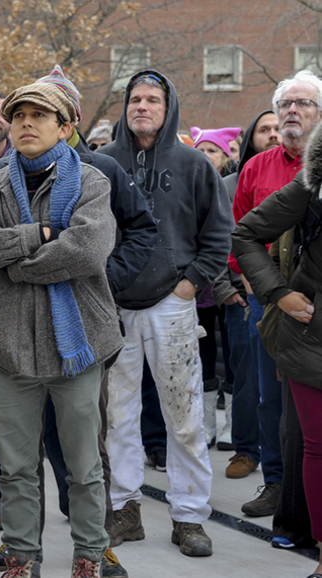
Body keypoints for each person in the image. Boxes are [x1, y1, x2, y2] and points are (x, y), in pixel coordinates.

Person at [0, 77, 124, 578]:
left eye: (39, 115)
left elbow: (88, 250)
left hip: (80, 346)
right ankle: (21, 556)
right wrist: (42, 233)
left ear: (65, 126)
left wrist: (17, 261)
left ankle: (90, 555)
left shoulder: (93, 183)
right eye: (19, 116)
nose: (26, 124)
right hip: (10, 346)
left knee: (84, 465)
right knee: (15, 468)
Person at [100, 70, 233, 557]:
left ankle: (189, 517)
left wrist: (188, 285)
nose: (142, 107)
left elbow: (220, 235)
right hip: (112, 305)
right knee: (117, 416)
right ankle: (125, 509)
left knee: (184, 415)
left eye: (152, 99)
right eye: (135, 99)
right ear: (125, 106)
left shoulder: (196, 164)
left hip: (171, 306)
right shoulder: (101, 162)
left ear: (168, 106)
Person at [226, 70, 322, 516]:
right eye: (285, 104)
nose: (291, 112)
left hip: (313, 305)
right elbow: (239, 232)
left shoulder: (314, 174)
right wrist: (260, 288)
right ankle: (276, 484)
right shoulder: (256, 166)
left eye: (302, 103)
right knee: (269, 399)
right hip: (270, 300)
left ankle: (303, 500)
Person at [213, 110, 281, 452]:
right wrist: (228, 288)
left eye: (277, 128)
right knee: (246, 376)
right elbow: (221, 239)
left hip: (291, 292)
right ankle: (245, 447)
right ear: (251, 136)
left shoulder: (302, 176)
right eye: (264, 129)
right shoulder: (230, 184)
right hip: (244, 294)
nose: (273, 133)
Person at [189, 125, 241, 447]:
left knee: (234, 356)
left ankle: (233, 424)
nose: (205, 156)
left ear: (225, 156)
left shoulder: (232, 187)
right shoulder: (188, 185)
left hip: (230, 282)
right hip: (198, 287)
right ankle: (207, 423)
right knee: (203, 356)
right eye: (200, 149)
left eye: (212, 150)